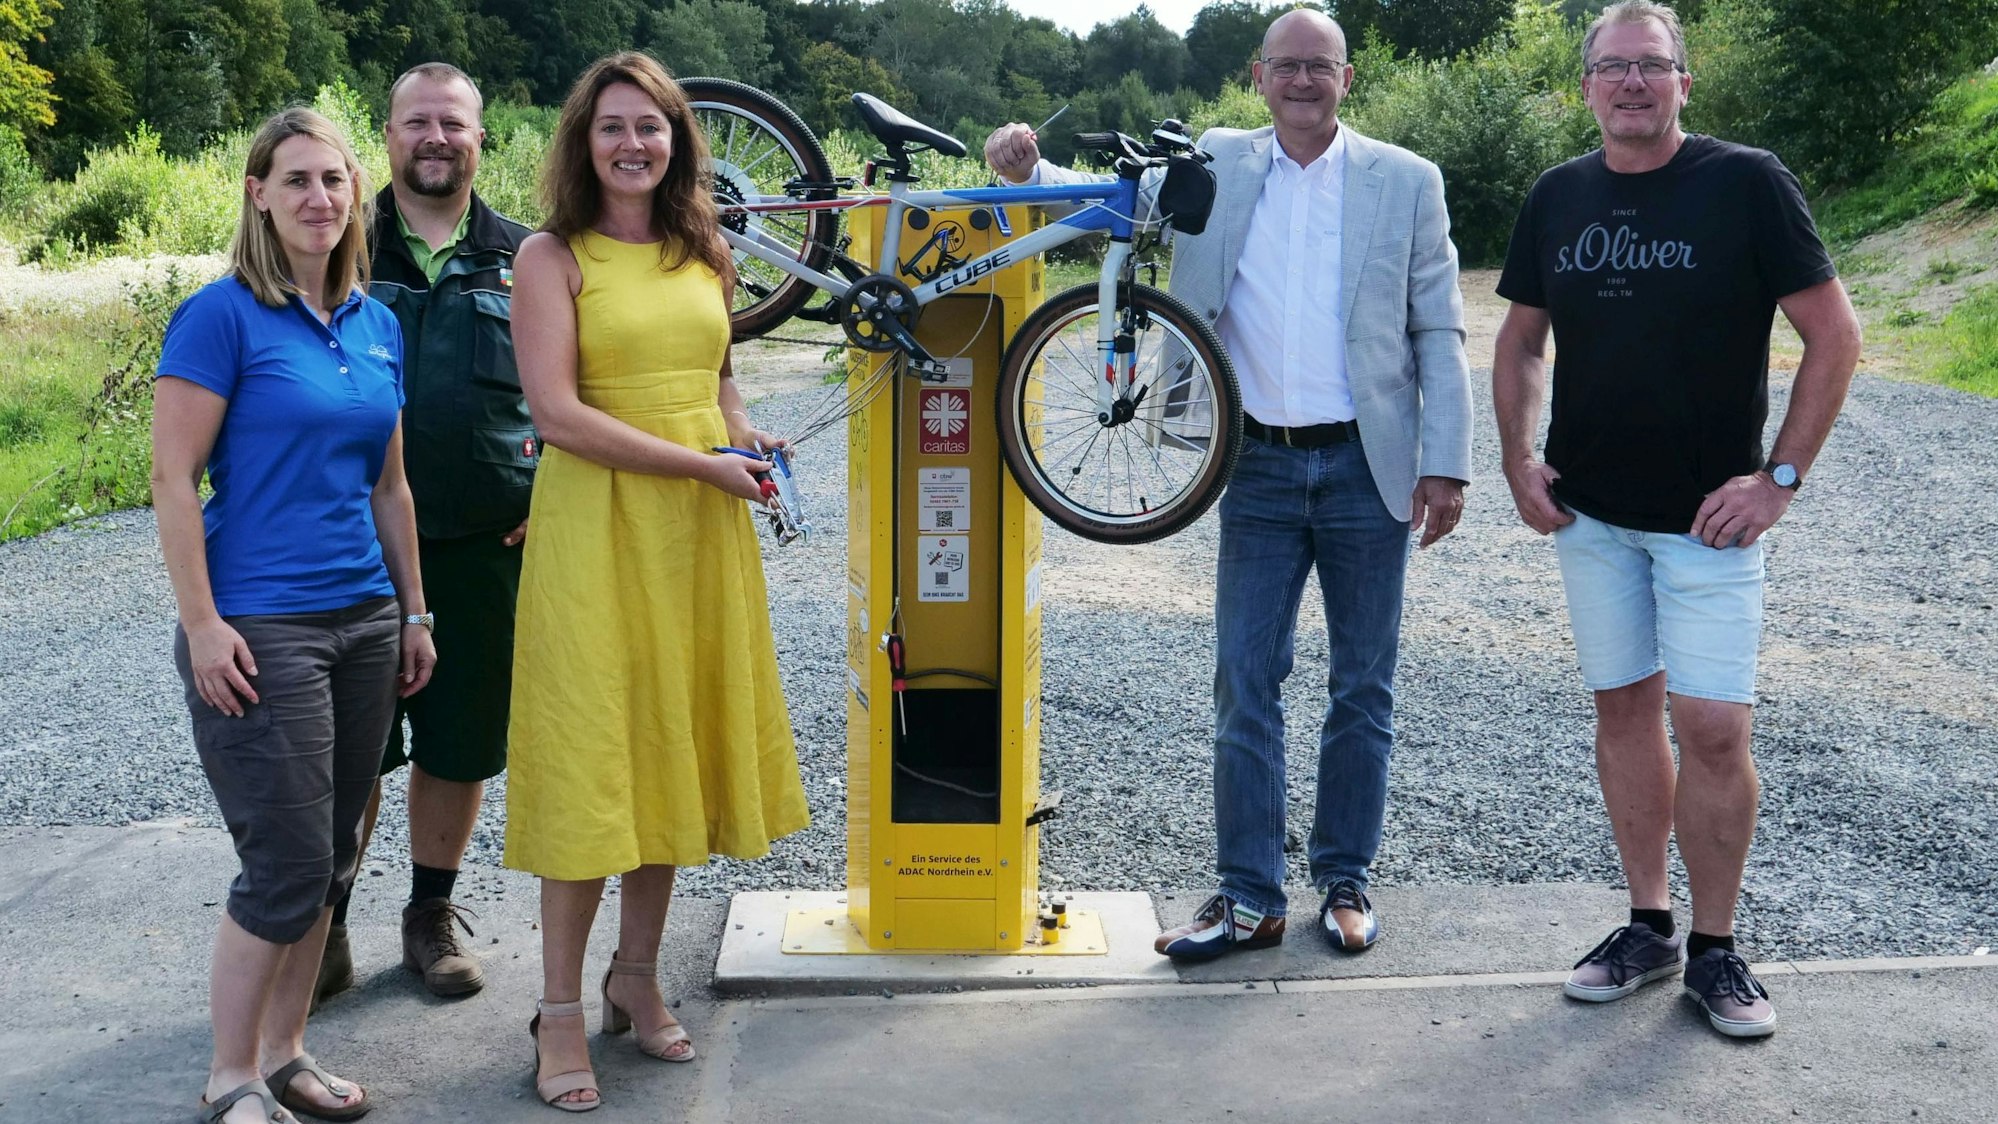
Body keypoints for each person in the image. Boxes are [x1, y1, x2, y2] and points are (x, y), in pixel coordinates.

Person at [986, 7, 1472, 960]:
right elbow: (1120, 208)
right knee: (1245, 684)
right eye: (1285, 65)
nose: (1302, 80)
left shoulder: (1405, 181)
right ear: (1258, 76)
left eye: (1319, 66)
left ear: (1347, 77)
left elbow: (1437, 329)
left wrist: (1446, 461)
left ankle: (1345, 879)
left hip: (1366, 466)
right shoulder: (1216, 159)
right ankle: (1249, 896)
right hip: (1250, 460)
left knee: (1363, 686)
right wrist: (1025, 173)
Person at [1492, 1, 1861, 1039]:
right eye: (1612, 68)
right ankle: (1649, 924)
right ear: (1586, 88)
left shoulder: (1746, 183)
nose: (1632, 84)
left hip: (1711, 524)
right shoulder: (1558, 196)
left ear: (1684, 83)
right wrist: (1520, 456)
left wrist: (1780, 476)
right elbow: (1520, 339)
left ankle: (1718, 947)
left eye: (1652, 66)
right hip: (1593, 517)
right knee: (1622, 715)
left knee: (1712, 725)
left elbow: (1834, 336)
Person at [504, 52, 809, 1112]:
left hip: (697, 528)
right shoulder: (551, 256)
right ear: (583, 144)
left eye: (653, 127)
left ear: (680, 139)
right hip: (600, 527)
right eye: (612, 128)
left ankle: (635, 978)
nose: (634, 144)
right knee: (599, 753)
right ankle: (555, 1010)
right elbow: (557, 415)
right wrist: (700, 463)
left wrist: (742, 431)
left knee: (670, 740)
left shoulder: (704, 247)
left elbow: (715, 377)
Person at [152, 106, 438, 1123]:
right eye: (297, 180)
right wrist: (202, 624)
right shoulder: (219, 316)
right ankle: (229, 1077)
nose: (319, 198)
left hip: (364, 617)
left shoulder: (376, 322)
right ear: (258, 194)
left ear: (355, 194)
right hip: (261, 623)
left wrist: (416, 611)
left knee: (335, 853)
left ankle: (285, 1053)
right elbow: (174, 480)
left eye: (334, 180)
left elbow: (390, 488)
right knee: (284, 859)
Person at [315, 62, 535, 1006]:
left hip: (488, 550)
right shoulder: (333, 249)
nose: (435, 138)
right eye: (416, 123)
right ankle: (321, 924)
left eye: (453, 122)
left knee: (460, 743)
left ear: (482, 138)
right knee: (349, 748)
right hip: (350, 551)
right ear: (388, 137)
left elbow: (578, 393)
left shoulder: (530, 258)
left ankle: (428, 915)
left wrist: (551, 490)